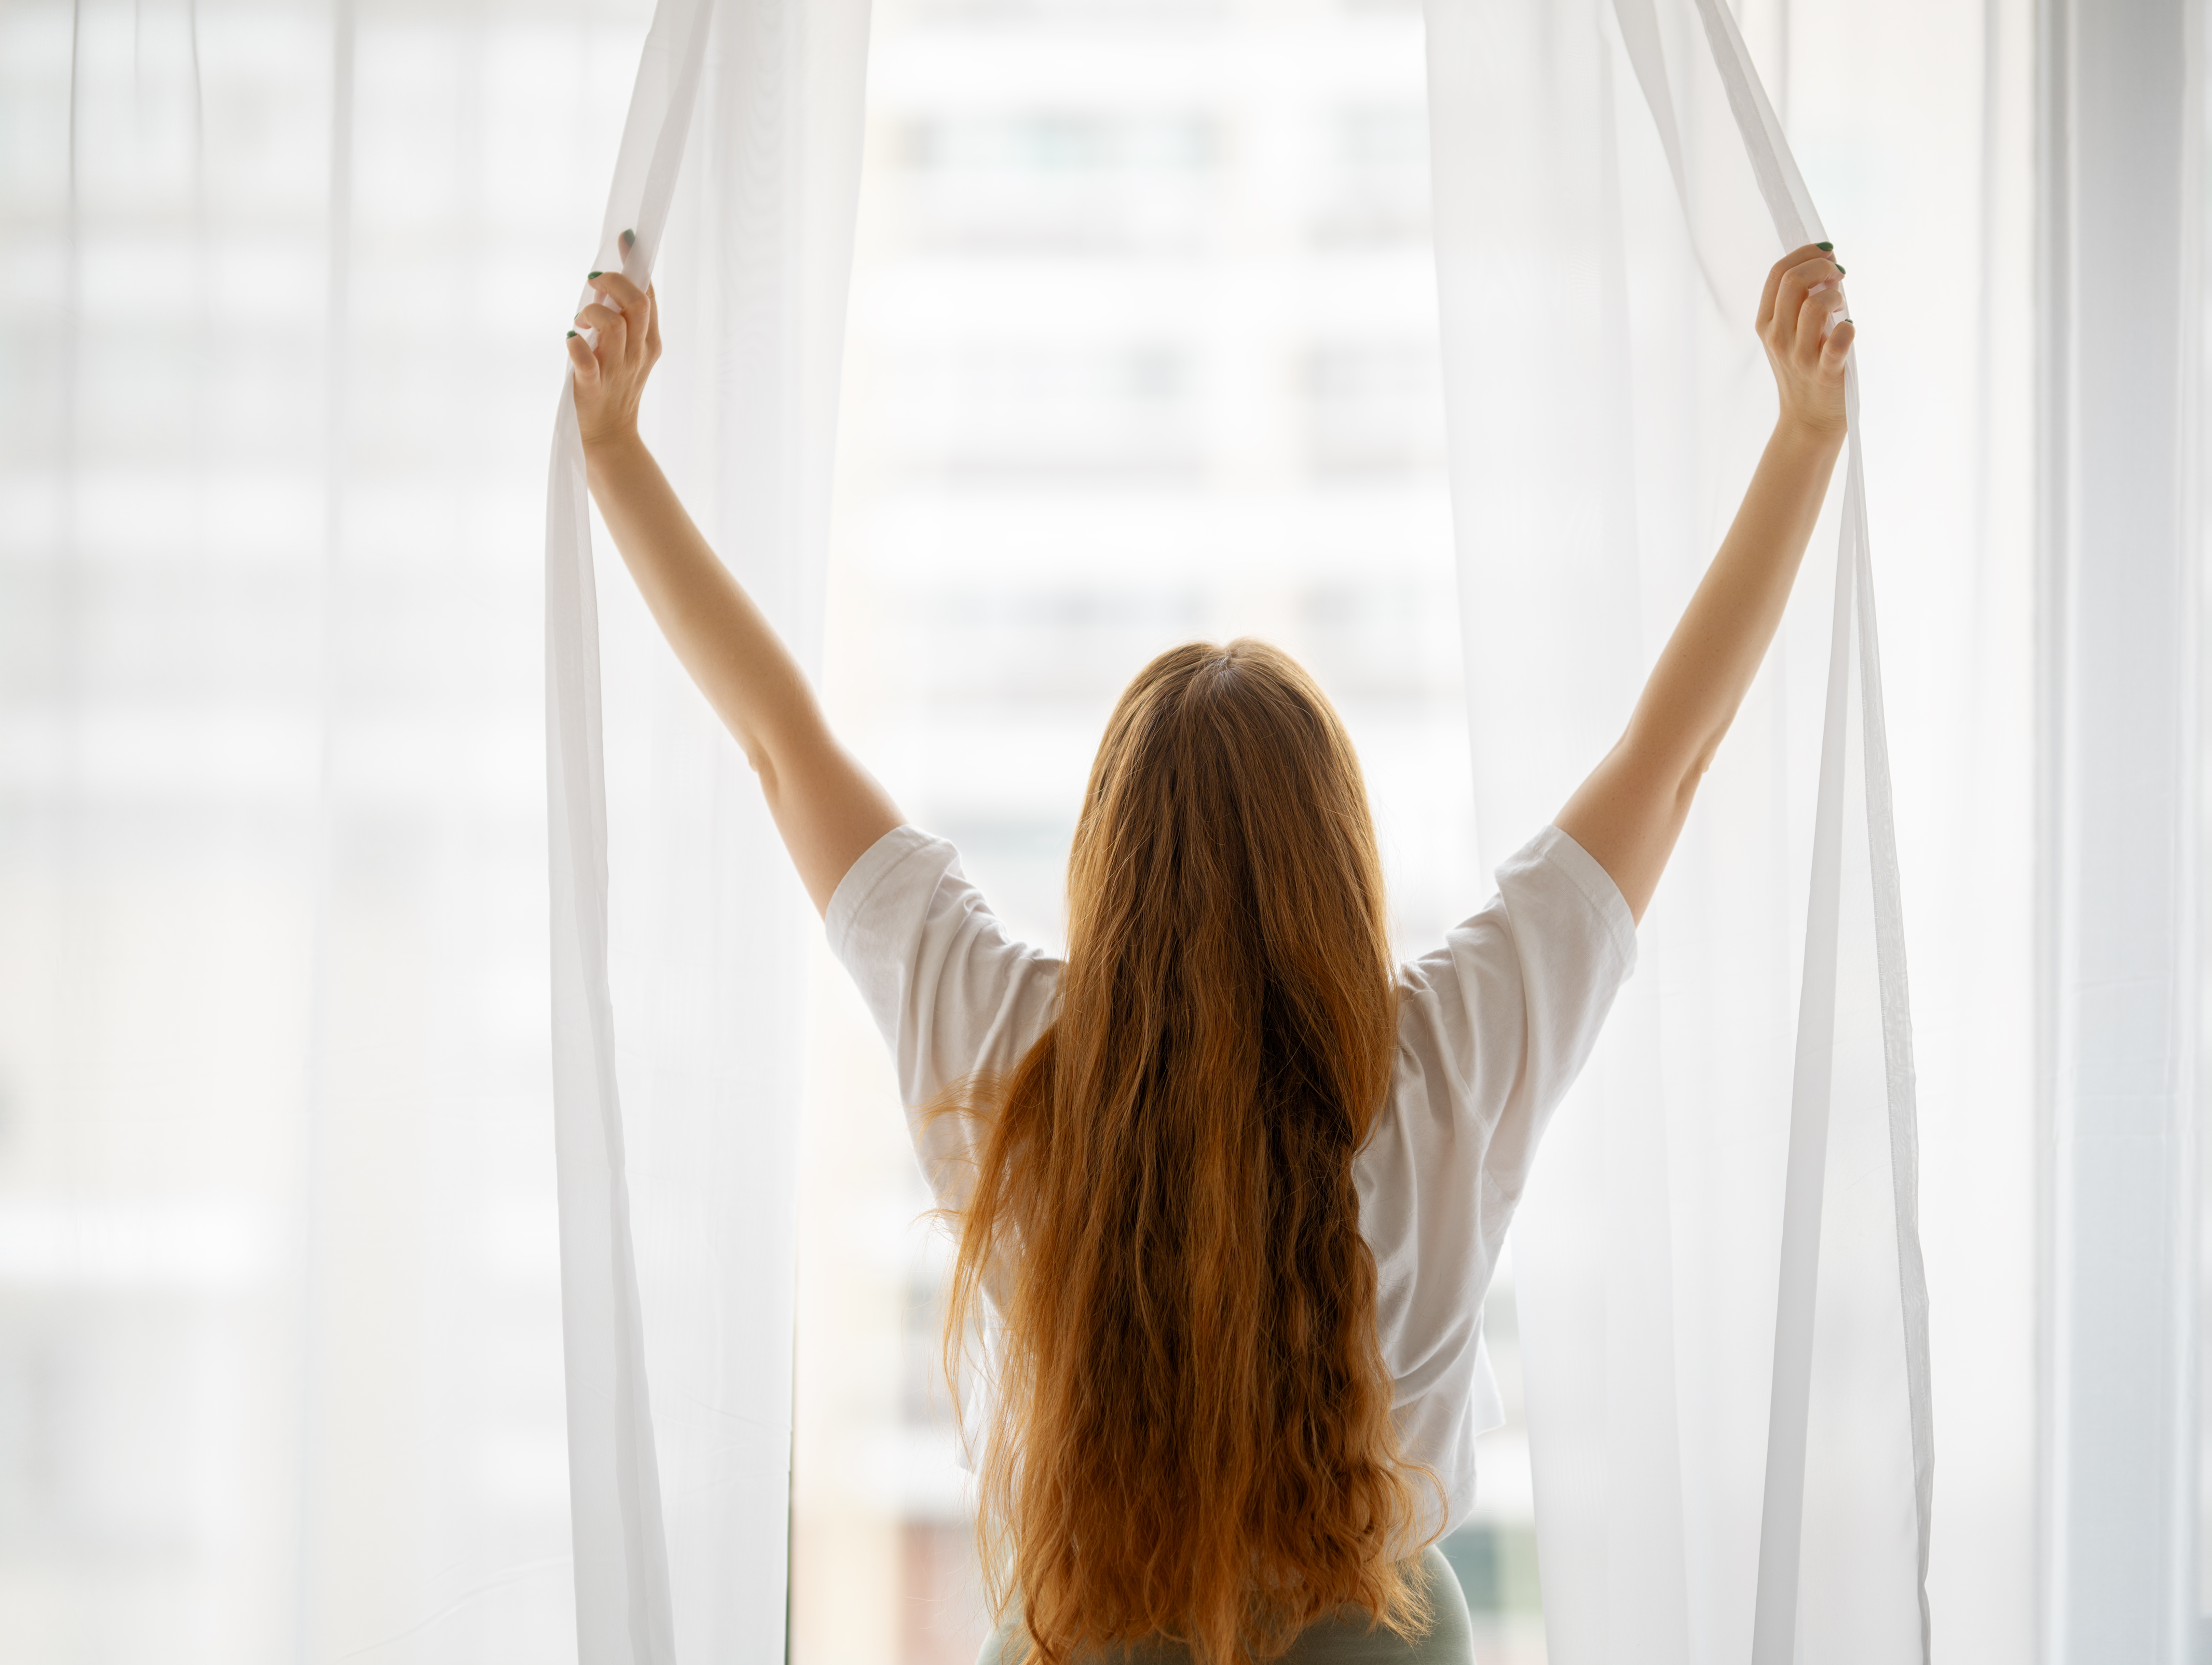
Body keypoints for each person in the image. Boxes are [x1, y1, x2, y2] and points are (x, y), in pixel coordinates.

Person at [566, 243, 1853, 1664]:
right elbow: (1668, 761)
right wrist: (1802, 436)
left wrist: (618, 451)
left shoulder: (1005, 1048)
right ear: (1336, 866)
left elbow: (777, 741)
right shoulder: (1447, 1053)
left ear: (1107, 874)